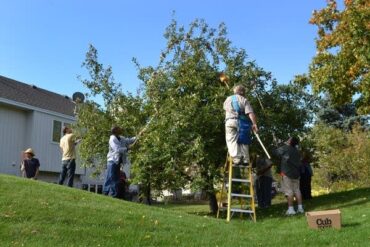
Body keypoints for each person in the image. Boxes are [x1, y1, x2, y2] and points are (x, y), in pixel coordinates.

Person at [223, 84, 258, 166]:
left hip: (230, 121)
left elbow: (225, 108)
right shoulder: (244, 99)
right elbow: (250, 113)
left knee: (231, 140)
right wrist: (254, 124)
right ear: (242, 92)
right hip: (242, 122)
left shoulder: (228, 99)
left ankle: (237, 159)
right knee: (244, 140)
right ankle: (246, 160)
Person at [273, 136, 304, 215]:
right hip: (296, 173)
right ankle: (300, 208)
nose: (287, 140)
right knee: (297, 190)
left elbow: (276, 153)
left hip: (287, 173)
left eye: (288, 139)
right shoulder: (297, 151)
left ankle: (291, 210)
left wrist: (274, 145)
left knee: (289, 191)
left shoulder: (285, 148)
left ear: (290, 141)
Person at [103, 126, 136, 198]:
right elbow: (117, 149)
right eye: (119, 128)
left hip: (116, 161)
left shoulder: (121, 138)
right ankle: (113, 195)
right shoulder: (112, 139)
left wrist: (138, 136)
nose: (121, 129)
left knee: (110, 177)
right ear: (115, 131)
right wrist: (127, 148)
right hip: (112, 160)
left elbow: (129, 140)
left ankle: (106, 193)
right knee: (113, 178)